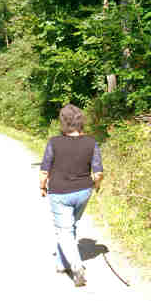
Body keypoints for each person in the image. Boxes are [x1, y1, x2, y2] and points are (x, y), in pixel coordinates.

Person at [39, 104, 104, 287]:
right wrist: (96, 186)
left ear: (63, 122)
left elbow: (44, 171)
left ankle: (76, 266)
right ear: (80, 122)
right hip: (83, 192)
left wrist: (42, 187)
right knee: (69, 227)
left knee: (64, 229)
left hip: (59, 192)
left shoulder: (54, 142)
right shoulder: (92, 143)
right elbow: (98, 172)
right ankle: (62, 264)